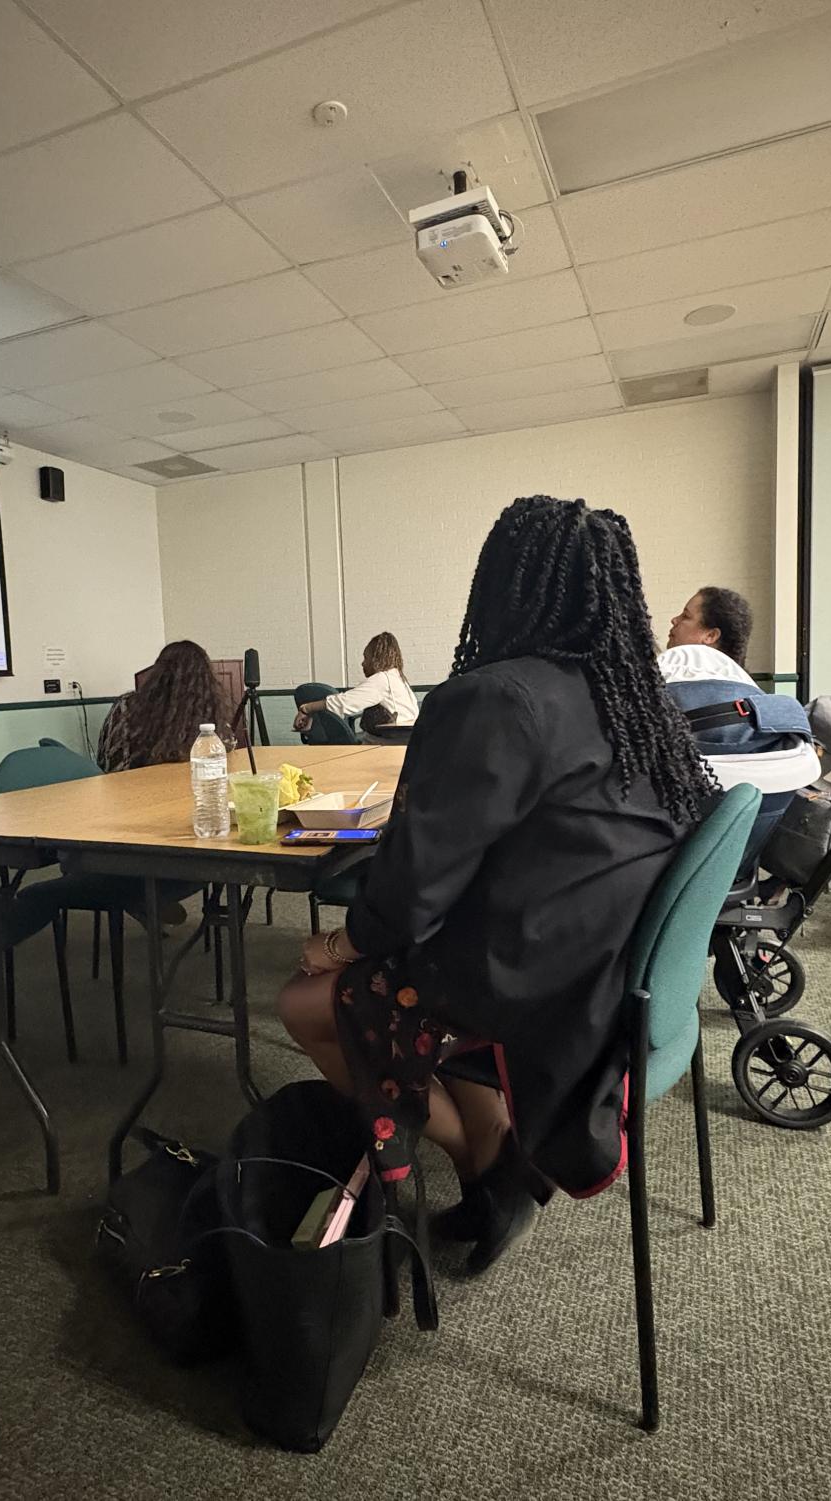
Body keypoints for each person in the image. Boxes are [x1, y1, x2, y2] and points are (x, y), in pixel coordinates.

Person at [275, 497, 711, 1275]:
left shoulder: (495, 695)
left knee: (305, 1002)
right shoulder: (633, 696)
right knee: (420, 986)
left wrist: (335, 941)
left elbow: (410, 897)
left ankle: (492, 1163)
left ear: (503, 586)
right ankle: (496, 1154)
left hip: (528, 974)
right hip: (611, 966)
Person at [95, 640, 232, 772]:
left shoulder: (125, 706)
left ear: (157, 673)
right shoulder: (210, 710)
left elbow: (106, 762)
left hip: (129, 789)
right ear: (207, 679)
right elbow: (228, 750)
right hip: (191, 790)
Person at [294, 632, 419, 736]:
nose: (363, 663)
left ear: (375, 658)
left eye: (366, 658)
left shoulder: (382, 680)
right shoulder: (399, 680)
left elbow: (344, 703)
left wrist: (306, 708)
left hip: (385, 747)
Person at [660, 586, 754, 684]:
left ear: (711, 636)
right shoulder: (747, 690)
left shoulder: (674, 684)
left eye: (686, 616)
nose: (674, 620)